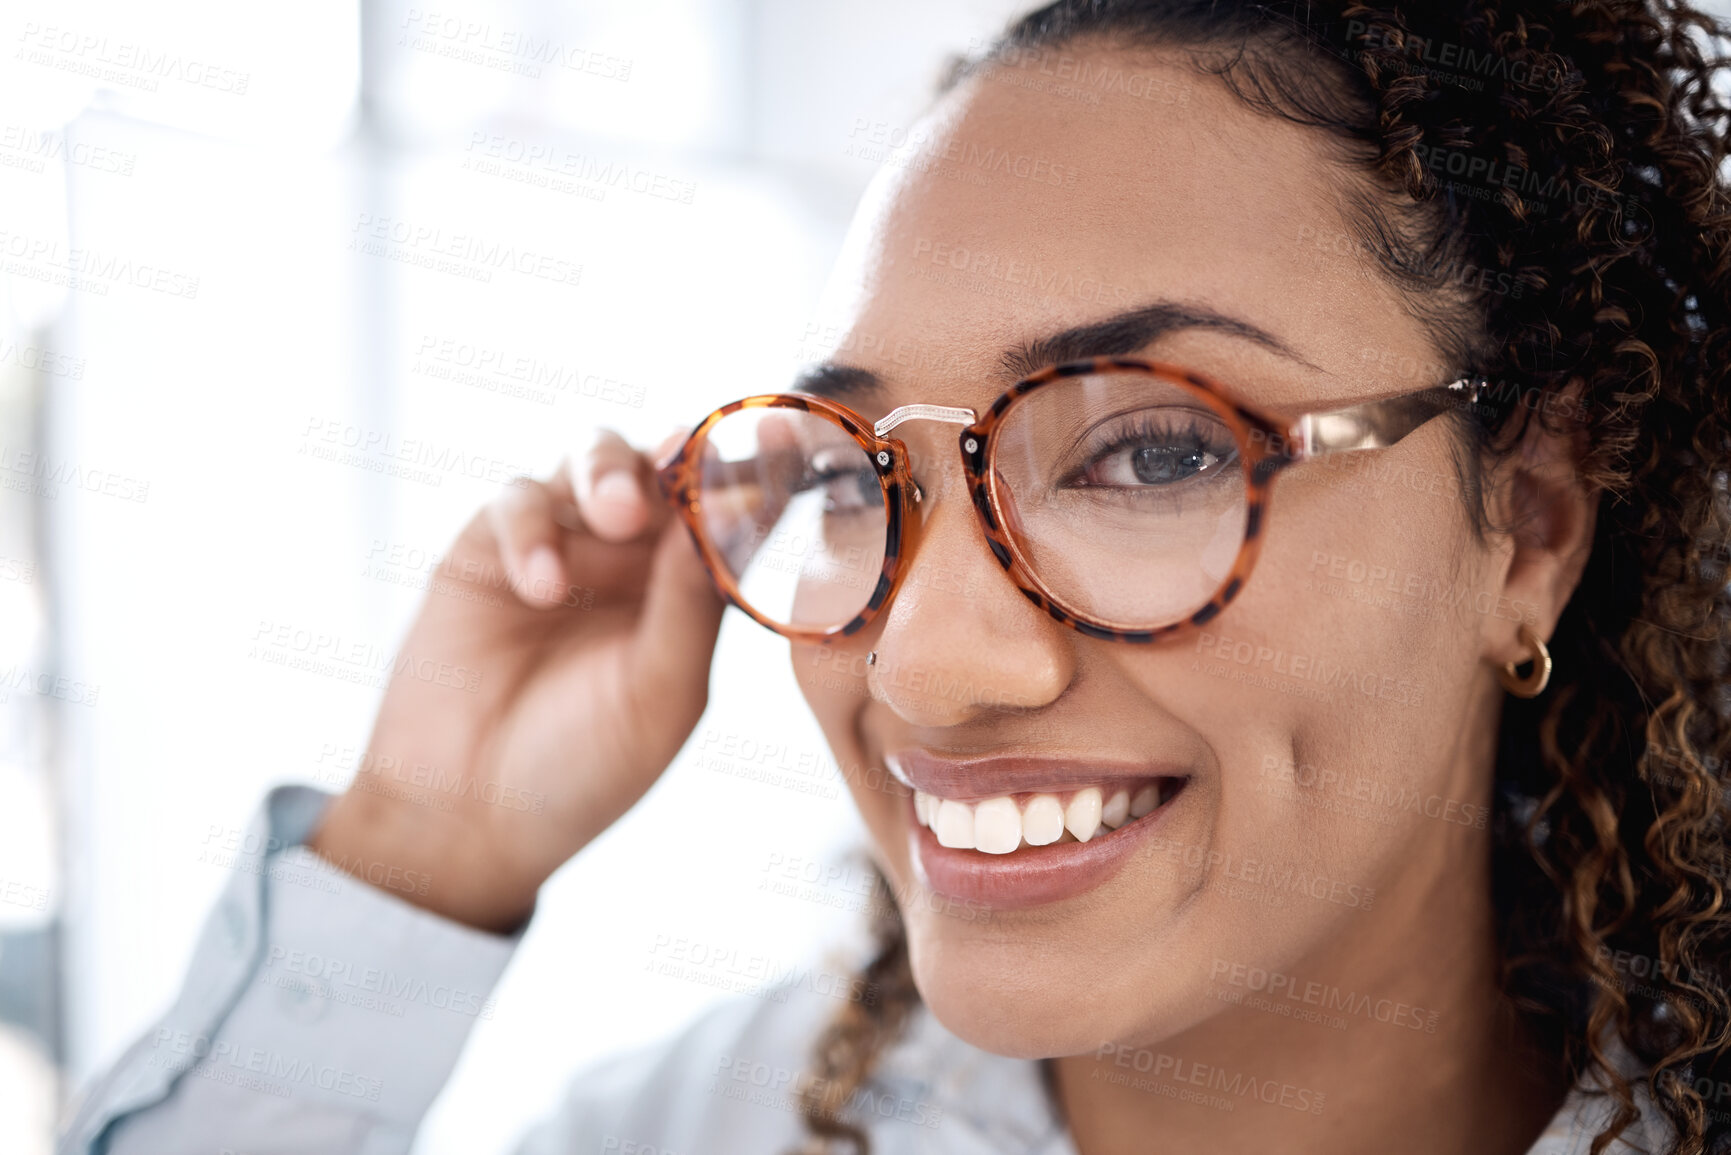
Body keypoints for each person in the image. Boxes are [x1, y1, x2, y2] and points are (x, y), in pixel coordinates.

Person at [56, 1, 1731, 1152]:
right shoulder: (700, 1131)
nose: (926, 663)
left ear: (1529, 523)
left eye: (1154, 452)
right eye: (865, 479)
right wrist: (418, 853)